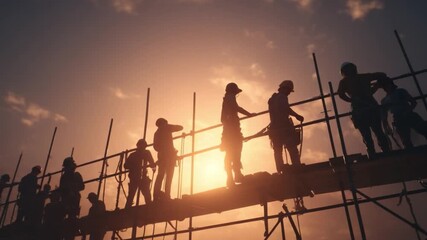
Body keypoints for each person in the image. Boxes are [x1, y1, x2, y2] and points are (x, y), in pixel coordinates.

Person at [337, 62, 390, 157]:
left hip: (360, 109)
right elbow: (382, 75)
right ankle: (385, 151)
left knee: (368, 134)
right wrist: (375, 87)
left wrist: (351, 99)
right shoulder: (364, 77)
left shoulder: (345, 81)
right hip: (369, 106)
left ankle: (373, 153)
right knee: (377, 131)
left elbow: (341, 94)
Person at [221, 82, 255, 187]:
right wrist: (249, 114)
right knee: (235, 153)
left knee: (230, 155)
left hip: (228, 131)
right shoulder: (230, 98)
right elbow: (237, 108)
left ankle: (231, 178)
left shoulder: (226, 99)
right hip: (233, 131)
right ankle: (236, 176)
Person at [268, 80, 304, 173]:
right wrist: (297, 115)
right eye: (289, 90)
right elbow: (286, 108)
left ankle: (280, 168)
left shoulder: (272, 99)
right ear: (285, 88)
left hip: (274, 128)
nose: (289, 93)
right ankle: (296, 165)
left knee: (277, 149)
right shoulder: (282, 97)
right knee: (291, 147)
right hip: (283, 126)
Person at [380, 78, 427, 148]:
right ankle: (412, 154)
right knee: (406, 141)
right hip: (399, 119)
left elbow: (413, 102)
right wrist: (386, 127)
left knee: (424, 130)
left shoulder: (400, 92)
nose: (385, 87)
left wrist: (407, 111)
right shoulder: (384, 100)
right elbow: (384, 116)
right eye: (384, 86)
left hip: (409, 115)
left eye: (386, 85)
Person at [153, 118, 183, 201]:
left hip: (163, 157)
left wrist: (163, 150)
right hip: (169, 156)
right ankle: (166, 195)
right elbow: (180, 127)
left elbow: (155, 147)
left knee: (161, 175)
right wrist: (168, 127)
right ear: (164, 123)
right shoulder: (166, 128)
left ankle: (156, 195)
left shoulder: (157, 133)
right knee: (169, 176)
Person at [124, 139, 156, 208]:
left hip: (139, 177)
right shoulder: (137, 154)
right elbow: (126, 166)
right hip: (136, 177)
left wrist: (153, 165)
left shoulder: (143, 153)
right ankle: (149, 207)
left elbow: (152, 163)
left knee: (135, 195)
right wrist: (135, 166)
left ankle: (128, 209)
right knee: (134, 195)